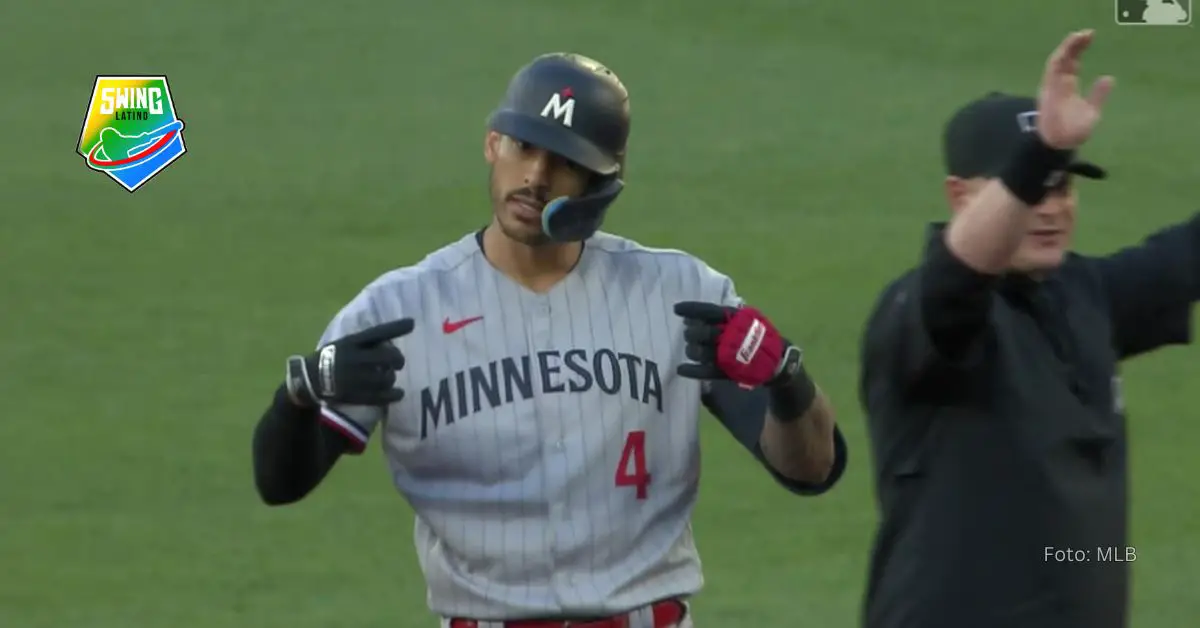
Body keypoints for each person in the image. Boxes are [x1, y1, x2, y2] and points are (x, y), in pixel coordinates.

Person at [251, 52, 848, 628]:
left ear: (601, 181)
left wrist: (786, 381)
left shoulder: (678, 294)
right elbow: (280, 484)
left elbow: (813, 469)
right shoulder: (398, 310)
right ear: (492, 144)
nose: (535, 176)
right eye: (523, 147)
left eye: (562, 160)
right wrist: (301, 394)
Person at [858, 29, 1197, 628]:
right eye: (1028, 189)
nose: (1052, 206)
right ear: (960, 197)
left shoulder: (1084, 294)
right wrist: (1039, 153)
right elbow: (958, 275)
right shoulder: (923, 315)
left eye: (1062, 185)